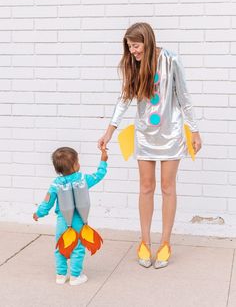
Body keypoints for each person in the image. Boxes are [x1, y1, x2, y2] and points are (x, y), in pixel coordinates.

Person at [98, 22, 201, 269]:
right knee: (146, 186)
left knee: (167, 186)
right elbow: (124, 99)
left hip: (172, 132)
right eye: (129, 47)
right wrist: (109, 131)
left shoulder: (171, 59)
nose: (133, 51)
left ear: (147, 40)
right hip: (145, 134)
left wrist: (194, 130)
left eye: (135, 46)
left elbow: (184, 96)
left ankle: (165, 243)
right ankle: (144, 242)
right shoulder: (133, 65)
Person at [33, 146, 108, 285]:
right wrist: (103, 161)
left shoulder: (56, 184)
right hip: (79, 220)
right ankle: (75, 276)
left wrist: (39, 213)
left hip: (63, 221)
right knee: (78, 248)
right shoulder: (83, 179)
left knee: (61, 246)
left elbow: (47, 201)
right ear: (74, 165)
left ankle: (60, 275)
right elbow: (99, 175)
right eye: (78, 160)